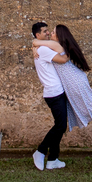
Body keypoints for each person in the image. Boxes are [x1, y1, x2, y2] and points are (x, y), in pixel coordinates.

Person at [33, 24, 92, 136]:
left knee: (88, 104)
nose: (50, 34)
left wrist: (34, 45)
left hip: (74, 80)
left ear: (59, 36)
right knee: (81, 106)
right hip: (73, 80)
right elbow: (39, 44)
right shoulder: (55, 45)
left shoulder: (56, 45)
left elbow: (36, 42)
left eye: (53, 32)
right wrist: (34, 48)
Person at [30, 21, 69, 171]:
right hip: (54, 93)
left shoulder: (41, 47)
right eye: (45, 31)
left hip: (55, 92)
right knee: (60, 126)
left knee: (60, 126)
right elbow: (63, 59)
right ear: (38, 35)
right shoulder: (44, 50)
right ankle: (40, 151)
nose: (48, 33)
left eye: (48, 31)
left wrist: (34, 44)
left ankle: (53, 159)